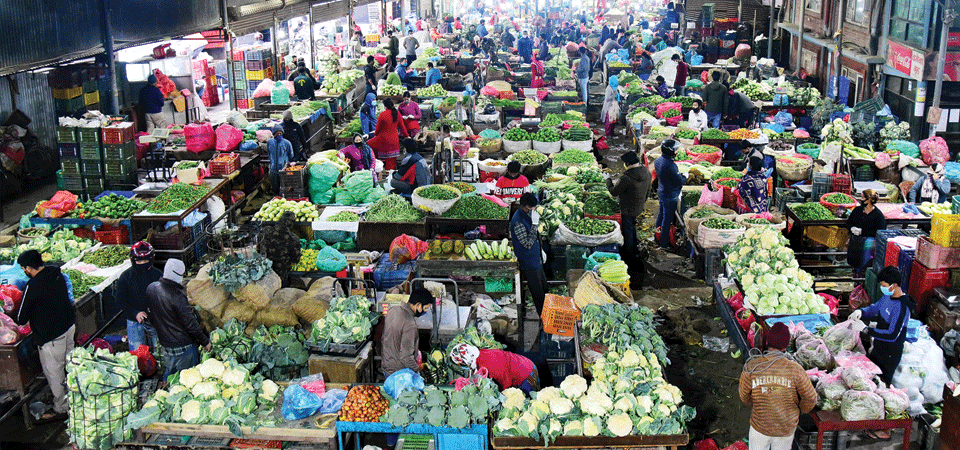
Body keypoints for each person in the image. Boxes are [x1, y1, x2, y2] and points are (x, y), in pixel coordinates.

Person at [15, 250, 75, 421]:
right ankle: (77, 398)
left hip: (51, 337)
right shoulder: (56, 273)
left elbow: (21, 318)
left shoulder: (32, 286)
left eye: (23, 268)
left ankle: (62, 408)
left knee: (55, 373)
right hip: (68, 327)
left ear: (28, 268)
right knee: (71, 366)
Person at [739, 322, 818, 450]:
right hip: (785, 427)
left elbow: (744, 395)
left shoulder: (753, 366)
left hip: (760, 426)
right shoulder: (795, 369)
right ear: (785, 346)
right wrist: (798, 410)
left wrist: (759, 404)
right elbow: (811, 398)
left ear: (767, 342)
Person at [849, 266, 916, 385]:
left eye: (884, 286)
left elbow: (892, 335)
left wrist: (865, 329)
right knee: (870, 378)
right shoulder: (887, 297)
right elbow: (875, 308)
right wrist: (861, 312)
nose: (882, 288)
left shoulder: (901, 307)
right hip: (878, 346)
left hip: (890, 353)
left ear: (894, 285)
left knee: (882, 383)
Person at [147, 259, 211, 379]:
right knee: (189, 377)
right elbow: (190, 324)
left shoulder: (152, 288)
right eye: (182, 275)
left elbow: (151, 316)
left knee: (170, 375)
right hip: (183, 347)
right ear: (176, 274)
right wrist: (205, 341)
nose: (182, 278)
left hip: (165, 344)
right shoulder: (177, 296)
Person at [607, 151, 651, 285]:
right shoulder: (646, 172)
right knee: (632, 225)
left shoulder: (627, 178)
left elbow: (614, 192)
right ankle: (635, 248)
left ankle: (629, 256)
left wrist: (608, 180)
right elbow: (648, 191)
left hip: (627, 208)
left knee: (627, 230)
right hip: (638, 206)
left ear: (628, 164)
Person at [117, 241, 162, 351]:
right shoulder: (125, 277)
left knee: (159, 352)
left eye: (145, 260)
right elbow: (120, 301)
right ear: (133, 260)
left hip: (155, 320)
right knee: (138, 354)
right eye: (139, 261)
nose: (142, 263)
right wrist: (135, 313)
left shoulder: (158, 274)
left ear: (151, 259)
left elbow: (163, 297)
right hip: (134, 321)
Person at [382, 287, 433, 376]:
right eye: (425, 308)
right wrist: (419, 371)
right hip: (398, 374)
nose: (425, 311)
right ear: (418, 305)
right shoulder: (410, 325)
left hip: (386, 365)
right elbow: (406, 357)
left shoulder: (393, 310)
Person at [449, 343, 540, 393]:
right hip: (523, 363)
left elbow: (506, 382)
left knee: (532, 403)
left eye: (462, 364)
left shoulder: (489, 364)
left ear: (466, 361)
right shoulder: (481, 354)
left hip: (527, 372)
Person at [511, 193, 548, 317]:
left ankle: (547, 314)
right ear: (525, 207)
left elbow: (534, 238)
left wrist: (540, 250)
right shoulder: (517, 222)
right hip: (529, 262)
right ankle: (543, 319)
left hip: (535, 258)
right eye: (532, 207)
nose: (534, 209)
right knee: (538, 294)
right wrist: (535, 225)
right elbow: (527, 244)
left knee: (544, 287)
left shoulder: (527, 214)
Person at [846, 189, 887, 277]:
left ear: (869, 200)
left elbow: (880, 231)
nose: (861, 199)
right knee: (854, 260)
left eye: (863, 197)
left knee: (864, 261)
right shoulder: (857, 210)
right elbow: (849, 223)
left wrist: (862, 232)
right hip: (855, 241)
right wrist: (852, 228)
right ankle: (855, 274)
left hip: (868, 244)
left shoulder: (878, 215)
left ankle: (862, 276)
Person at [655, 140, 686, 249]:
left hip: (662, 191)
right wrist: (685, 176)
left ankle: (656, 236)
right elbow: (679, 181)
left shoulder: (658, 160)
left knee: (661, 214)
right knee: (667, 220)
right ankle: (664, 244)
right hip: (670, 194)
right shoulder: (671, 165)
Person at [368, 98, 408, 170]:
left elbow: (377, 130)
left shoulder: (382, 114)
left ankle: (375, 165)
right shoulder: (397, 114)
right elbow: (402, 127)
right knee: (391, 166)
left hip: (383, 140)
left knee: (368, 146)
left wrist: (376, 134)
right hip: (394, 142)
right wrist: (407, 136)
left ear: (385, 106)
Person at [267, 125, 294, 195]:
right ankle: (275, 195)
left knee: (284, 185)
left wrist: (286, 162)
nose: (279, 135)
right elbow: (269, 152)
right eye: (277, 133)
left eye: (280, 133)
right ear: (274, 134)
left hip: (283, 168)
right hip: (273, 168)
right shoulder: (270, 142)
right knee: (274, 184)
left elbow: (291, 155)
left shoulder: (287, 143)